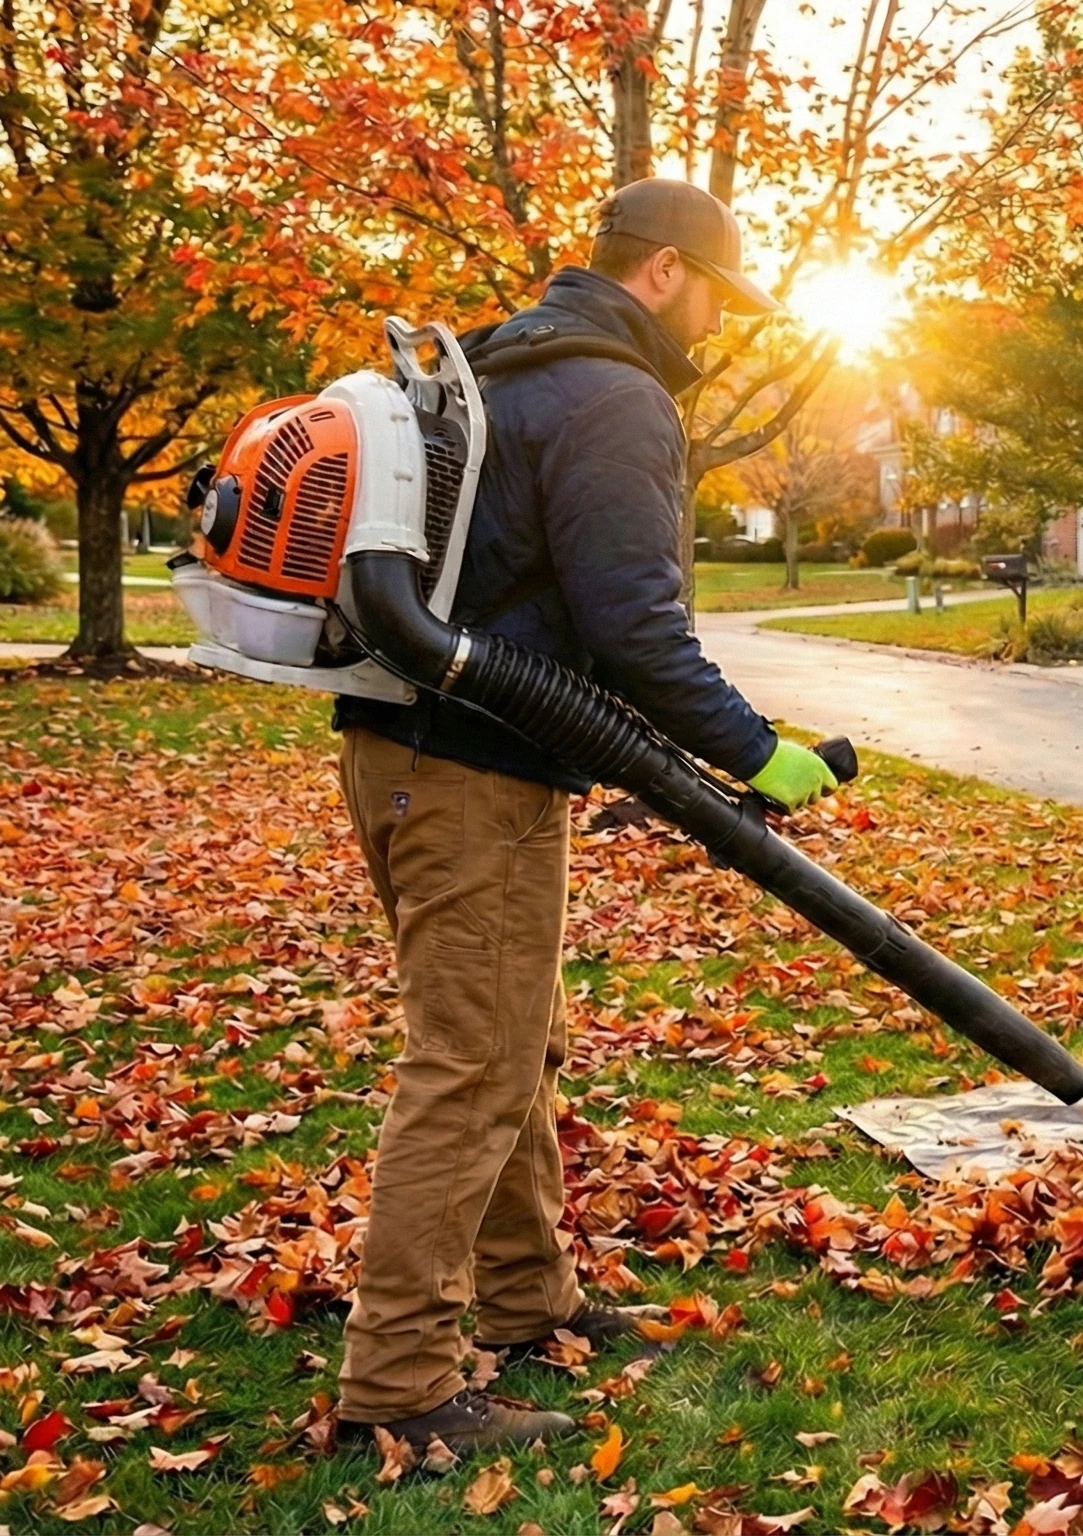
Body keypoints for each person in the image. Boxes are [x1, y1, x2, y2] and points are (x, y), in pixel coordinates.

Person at [332, 179, 840, 1454]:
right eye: (720, 296)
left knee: (512, 1043)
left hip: (407, 751)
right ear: (665, 271)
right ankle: (397, 1387)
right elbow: (635, 625)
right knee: (472, 1069)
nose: (722, 328)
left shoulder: (500, 361)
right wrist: (758, 754)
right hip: (478, 771)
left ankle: (524, 1299)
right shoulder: (613, 392)